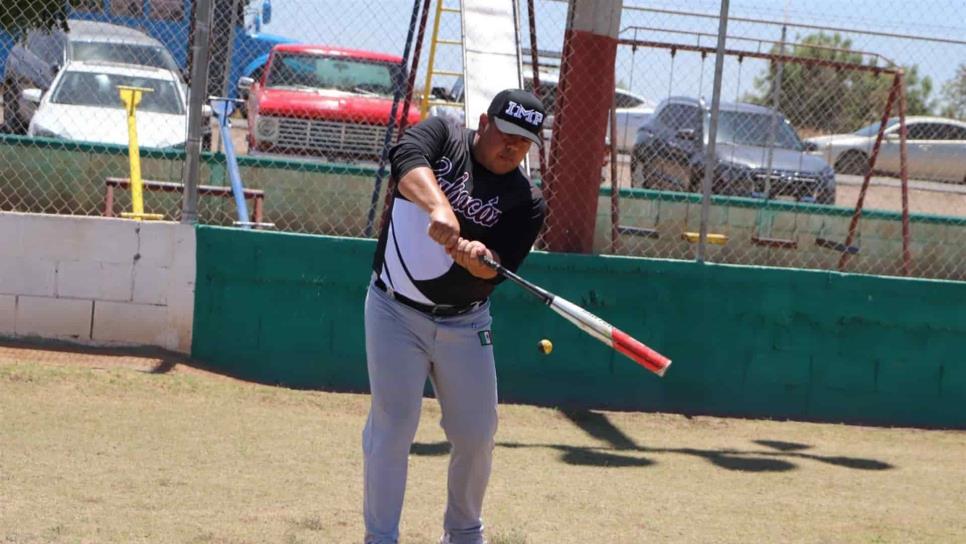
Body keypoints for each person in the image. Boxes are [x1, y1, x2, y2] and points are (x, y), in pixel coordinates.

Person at [363, 89, 547, 544]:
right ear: (484, 123)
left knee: (477, 434)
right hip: (395, 310)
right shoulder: (445, 134)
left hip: (466, 323)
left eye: (524, 144)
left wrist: (479, 260)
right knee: (394, 423)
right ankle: (380, 537)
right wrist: (439, 207)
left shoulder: (528, 200)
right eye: (506, 135)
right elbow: (404, 155)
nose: (512, 149)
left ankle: (464, 534)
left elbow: (494, 275)